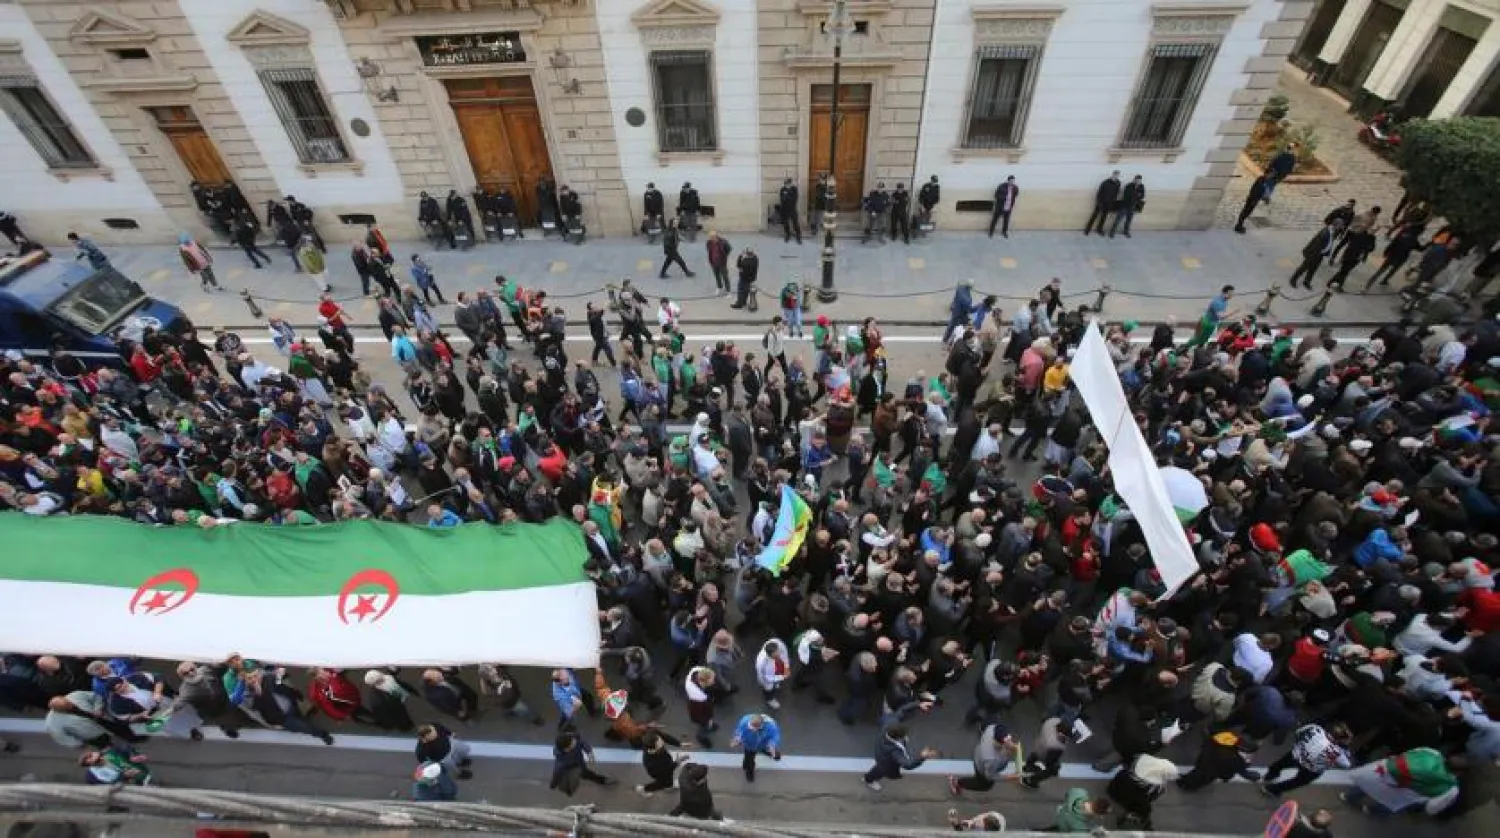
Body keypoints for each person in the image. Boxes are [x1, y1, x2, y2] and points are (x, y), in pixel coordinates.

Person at [1261, 722, 1353, 796]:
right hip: (1312, 769)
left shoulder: (1315, 728)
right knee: (1295, 782)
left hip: (1296, 754)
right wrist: (1345, 748)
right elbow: (1346, 765)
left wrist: (1300, 745)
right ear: (1340, 739)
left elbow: (1298, 732)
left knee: (1280, 764)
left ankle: (1270, 775)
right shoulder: (1337, 751)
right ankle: (1271, 789)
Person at [949, 722, 1020, 794]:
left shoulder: (992, 728)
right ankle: (956, 783)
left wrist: (1009, 746)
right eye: (1007, 742)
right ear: (999, 743)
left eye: (1009, 739)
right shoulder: (991, 759)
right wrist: (1008, 777)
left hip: (979, 753)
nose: (1010, 743)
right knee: (985, 785)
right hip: (982, 766)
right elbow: (990, 776)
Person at [863, 724, 939, 791]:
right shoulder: (894, 752)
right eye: (904, 735)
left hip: (882, 756)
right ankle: (868, 780)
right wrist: (922, 757)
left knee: (878, 768)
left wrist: (917, 706)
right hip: (887, 763)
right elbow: (908, 765)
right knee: (880, 771)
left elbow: (901, 711)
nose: (906, 736)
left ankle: (868, 778)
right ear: (898, 738)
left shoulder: (887, 729)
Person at [550, 729, 616, 796]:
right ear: (567, 749)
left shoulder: (573, 738)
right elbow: (557, 771)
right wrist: (554, 783)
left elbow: (582, 743)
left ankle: (602, 780)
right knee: (579, 777)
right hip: (572, 769)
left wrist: (589, 752)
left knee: (587, 774)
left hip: (580, 764)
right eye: (572, 742)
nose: (575, 741)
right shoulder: (561, 760)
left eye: (573, 740)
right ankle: (603, 780)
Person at [1288, 218, 1343, 289]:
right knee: (1304, 267)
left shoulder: (1333, 231)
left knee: (1313, 269)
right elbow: (1315, 245)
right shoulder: (1325, 232)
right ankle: (1293, 279)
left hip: (1320, 254)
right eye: (1340, 225)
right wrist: (1312, 255)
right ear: (1335, 224)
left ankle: (1307, 281)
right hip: (1314, 253)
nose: (1340, 227)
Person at [729, 712, 782, 781]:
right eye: (750, 726)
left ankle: (770, 752)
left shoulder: (770, 726)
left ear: (760, 726)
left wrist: (772, 744)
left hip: (764, 743)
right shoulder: (745, 721)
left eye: (754, 728)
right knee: (749, 759)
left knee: (770, 749)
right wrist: (737, 739)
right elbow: (739, 731)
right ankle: (749, 770)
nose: (751, 729)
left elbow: (775, 736)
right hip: (750, 745)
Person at [1083, 171, 1120, 236]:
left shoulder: (1118, 183)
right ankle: (1087, 229)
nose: (1115, 177)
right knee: (1094, 216)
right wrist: (1099, 202)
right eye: (1114, 175)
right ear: (1112, 175)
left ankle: (1099, 229)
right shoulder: (1105, 182)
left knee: (1103, 217)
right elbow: (1099, 193)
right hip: (1101, 202)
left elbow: (1116, 194)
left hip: (1109, 203)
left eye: (1117, 176)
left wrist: (1112, 203)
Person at [779, 177, 802, 244]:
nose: (786, 185)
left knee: (795, 223)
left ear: (790, 183)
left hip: (792, 209)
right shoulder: (782, 189)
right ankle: (787, 234)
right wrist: (786, 196)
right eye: (785, 184)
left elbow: (795, 199)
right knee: (786, 223)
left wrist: (787, 195)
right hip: (785, 209)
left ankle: (798, 235)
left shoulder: (794, 189)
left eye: (787, 184)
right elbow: (782, 199)